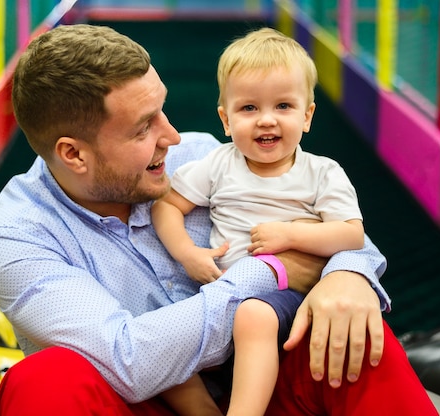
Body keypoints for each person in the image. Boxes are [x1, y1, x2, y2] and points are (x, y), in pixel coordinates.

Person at [0, 23, 438, 415]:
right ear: (72, 154)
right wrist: (269, 271)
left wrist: (347, 275)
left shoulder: (199, 155)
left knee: (352, 331)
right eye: (143, 127)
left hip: (258, 389)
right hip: (143, 404)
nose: (172, 136)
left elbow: (340, 228)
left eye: (162, 110)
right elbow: (129, 360)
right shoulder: (15, 237)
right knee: (44, 380)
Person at [151, 27, 365, 416]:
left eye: (283, 106)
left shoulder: (321, 172)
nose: (266, 120)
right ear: (226, 120)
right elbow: (166, 204)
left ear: (307, 116)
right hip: (220, 293)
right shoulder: (219, 163)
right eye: (249, 108)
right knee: (163, 337)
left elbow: (351, 234)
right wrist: (187, 254)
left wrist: (291, 234)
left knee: (253, 316)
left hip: (288, 296)